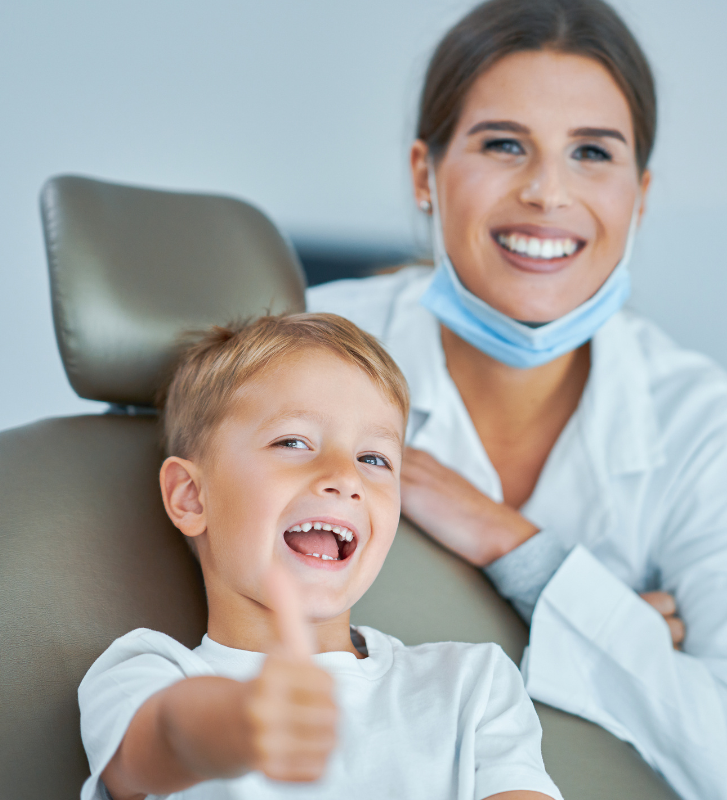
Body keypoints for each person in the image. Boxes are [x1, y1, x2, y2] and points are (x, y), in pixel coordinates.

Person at [306, 1, 727, 798]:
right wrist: (616, 635)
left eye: (591, 154)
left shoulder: (703, 424)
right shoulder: (307, 355)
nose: (546, 191)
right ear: (423, 175)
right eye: (504, 144)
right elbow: (237, 618)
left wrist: (517, 550)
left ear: (638, 195)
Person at [77, 313, 562, 800]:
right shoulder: (146, 674)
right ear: (191, 497)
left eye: (373, 459)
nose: (345, 477)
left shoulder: (470, 684)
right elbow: (164, 739)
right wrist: (239, 721)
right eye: (293, 442)